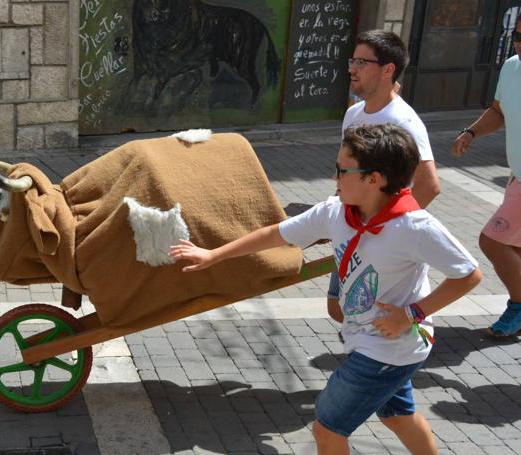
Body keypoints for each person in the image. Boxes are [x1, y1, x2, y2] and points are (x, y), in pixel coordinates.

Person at [170, 124, 481, 455]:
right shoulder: (336, 212)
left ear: (374, 180)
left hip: (389, 349)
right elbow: (276, 234)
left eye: (341, 171)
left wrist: (411, 314)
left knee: (328, 428)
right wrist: (214, 255)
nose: (334, 177)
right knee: (398, 417)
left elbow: (469, 274)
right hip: (370, 340)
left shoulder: (415, 227)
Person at [327, 30, 441, 324]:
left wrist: (387, 229)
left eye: (362, 62)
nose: (351, 69)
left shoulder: (403, 122)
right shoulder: (353, 114)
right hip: (351, 230)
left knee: (373, 320)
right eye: (353, 60)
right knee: (338, 308)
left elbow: (428, 186)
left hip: (379, 242)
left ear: (388, 69)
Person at [452, 15, 521, 338]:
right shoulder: (511, 67)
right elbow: (499, 111)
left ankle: (520, 307)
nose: (520, 44)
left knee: (492, 240)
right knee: (514, 249)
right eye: (518, 36)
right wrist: (472, 132)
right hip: (516, 177)